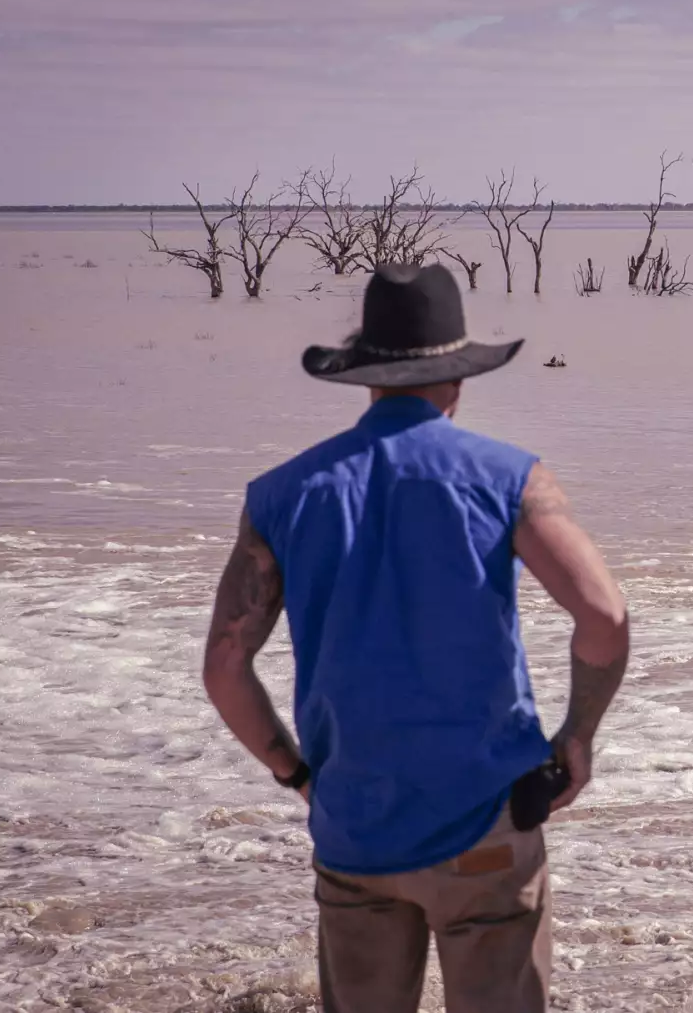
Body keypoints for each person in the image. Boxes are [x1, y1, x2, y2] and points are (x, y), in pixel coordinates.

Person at [202, 263, 629, 1013]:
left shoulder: (283, 493)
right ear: (459, 377)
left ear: (366, 377)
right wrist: (578, 735)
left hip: (354, 827)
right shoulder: (511, 479)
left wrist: (298, 775)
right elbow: (603, 615)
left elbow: (225, 665)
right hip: (485, 820)